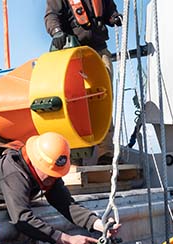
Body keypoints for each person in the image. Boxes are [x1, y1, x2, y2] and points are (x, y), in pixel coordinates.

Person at [0, 132, 119, 244]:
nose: (53, 179)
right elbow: (22, 219)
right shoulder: (15, 173)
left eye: (55, 175)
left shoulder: (47, 172)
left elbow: (67, 205)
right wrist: (67, 239)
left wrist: (100, 225)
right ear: (37, 163)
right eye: (50, 175)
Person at [45, 0, 122, 164]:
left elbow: (108, 9)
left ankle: (106, 153)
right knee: (72, 102)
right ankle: (73, 152)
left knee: (104, 99)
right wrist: (57, 32)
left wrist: (114, 17)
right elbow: (51, 15)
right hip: (72, 52)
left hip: (99, 50)